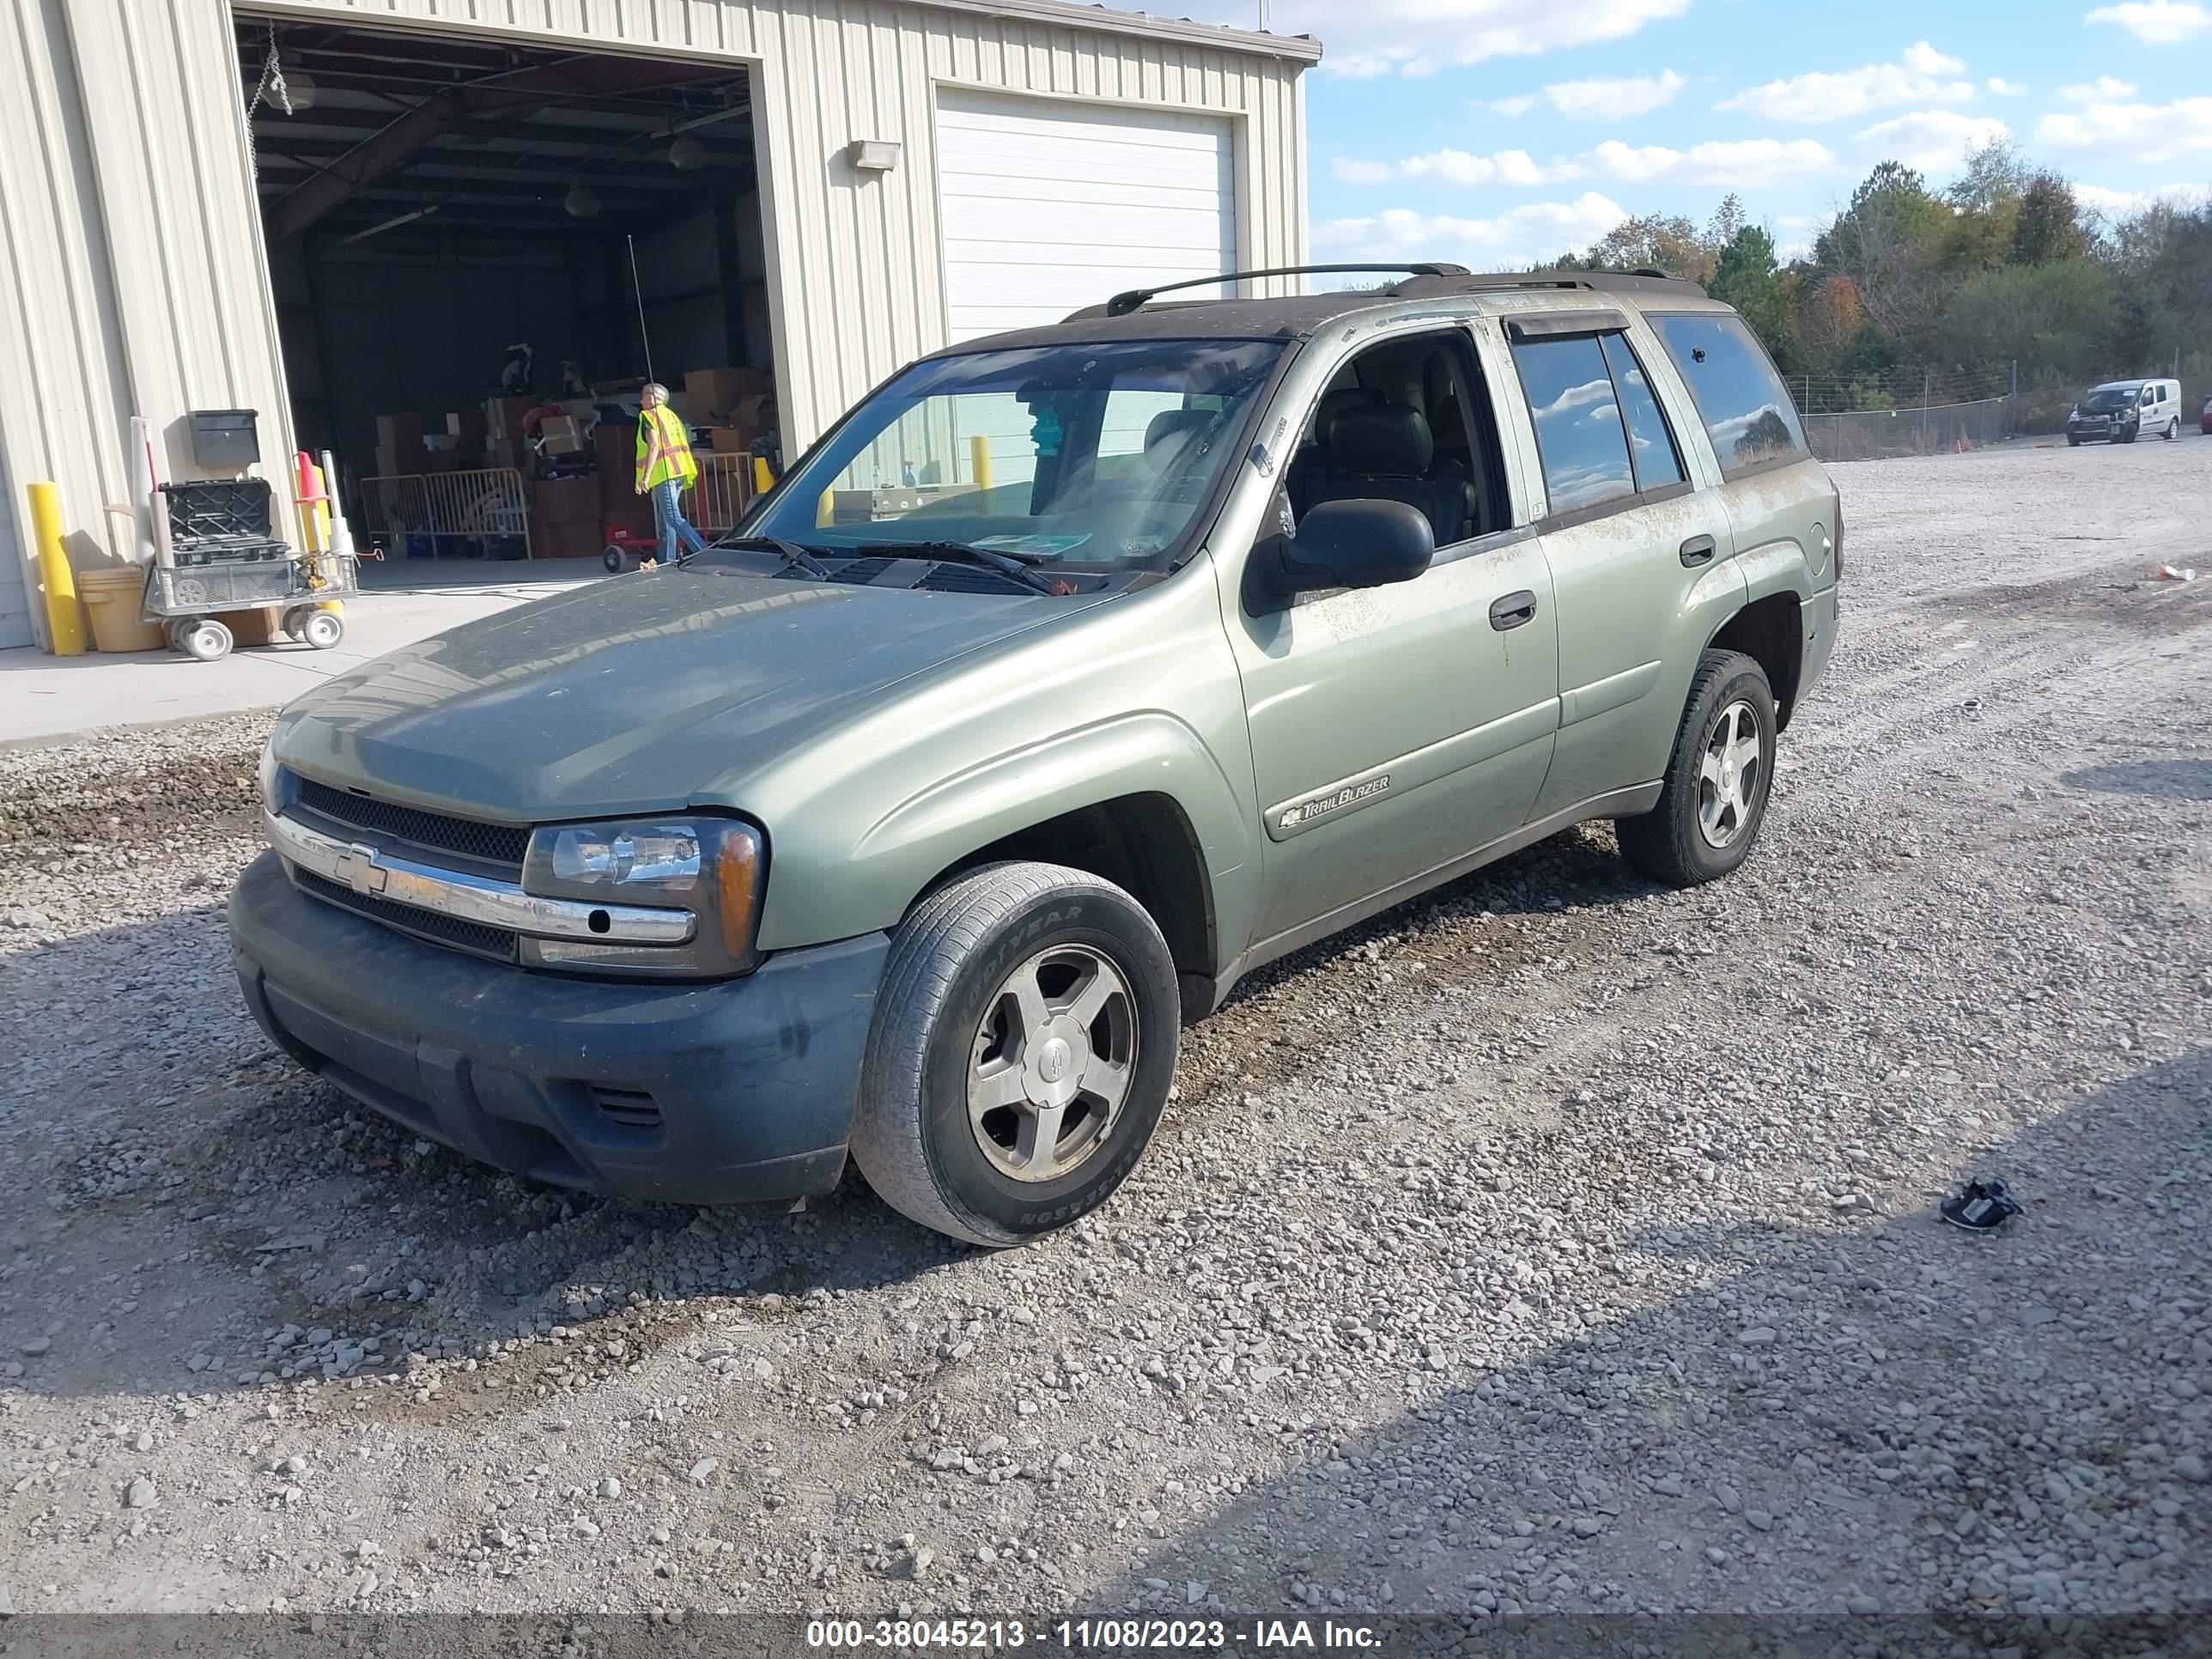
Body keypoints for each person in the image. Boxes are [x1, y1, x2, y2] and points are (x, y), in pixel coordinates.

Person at [635, 382, 707, 567]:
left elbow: (654, 446)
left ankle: (703, 551)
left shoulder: (648, 416)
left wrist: (646, 477)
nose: (641, 399)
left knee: (673, 517)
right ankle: (667, 561)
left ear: (652, 397)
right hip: (679, 470)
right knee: (666, 521)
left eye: (643, 395)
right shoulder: (671, 416)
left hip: (664, 472)